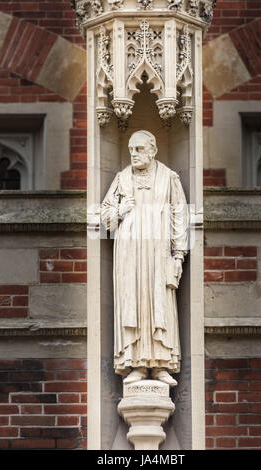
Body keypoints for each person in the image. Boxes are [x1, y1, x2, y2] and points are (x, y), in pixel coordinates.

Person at [101, 130, 189, 386]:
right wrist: (119, 209)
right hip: (128, 253)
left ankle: (160, 364)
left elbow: (180, 217)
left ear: (153, 150)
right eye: (131, 150)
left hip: (158, 252)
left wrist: (178, 256)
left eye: (139, 149)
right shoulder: (121, 178)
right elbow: (103, 218)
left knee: (158, 301)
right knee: (133, 301)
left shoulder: (169, 177)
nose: (134, 154)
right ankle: (136, 364)